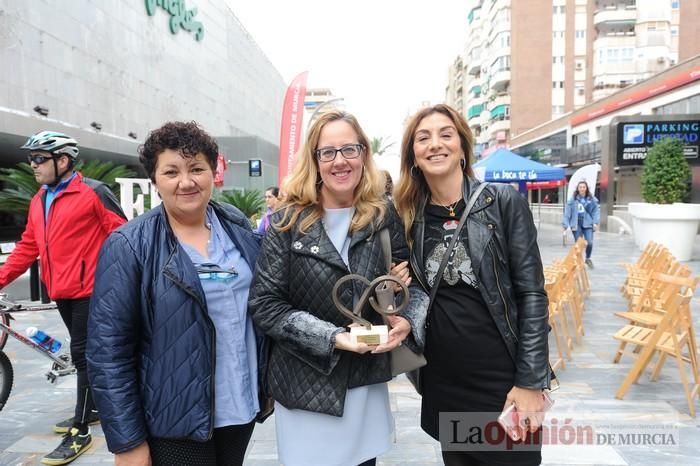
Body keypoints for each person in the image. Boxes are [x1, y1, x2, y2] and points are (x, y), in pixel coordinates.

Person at [248, 111, 428, 466]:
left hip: (364, 383)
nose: (340, 161)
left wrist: (407, 318)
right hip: (304, 386)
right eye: (327, 152)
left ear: (363, 153)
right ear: (314, 160)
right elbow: (266, 304)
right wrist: (332, 338)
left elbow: (412, 285)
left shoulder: (382, 215)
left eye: (349, 149)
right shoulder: (286, 222)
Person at [87, 121, 266, 466]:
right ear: (155, 180)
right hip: (174, 420)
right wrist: (128, 442)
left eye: (197, 168)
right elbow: (108, 352)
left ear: (213, 172)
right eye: (171, 171)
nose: (186, 181)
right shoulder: (129, 246)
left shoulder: (235, 225)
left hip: (239, 407)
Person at [394, 104, 551, 466]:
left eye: (446, 134)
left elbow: (532, 296)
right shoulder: (408, 217)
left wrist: (530, 382)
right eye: (423, 137)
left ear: (463, 148)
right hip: (445, 382)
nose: (435, 144)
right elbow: (411, 294)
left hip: (502, 382)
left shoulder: (502, 202)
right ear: (413, 155)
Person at [0, 130, 126, 465]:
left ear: (63, 161)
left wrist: (115, 281)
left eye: (39, 159)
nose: (33, 165)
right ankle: (95, 407)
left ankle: (80, 429)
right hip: (63, 293)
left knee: (83, 356)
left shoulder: (93, 192)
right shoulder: (40, 198)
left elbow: (123, 236)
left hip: (93, 292)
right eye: (31, 159)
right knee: (85, 355)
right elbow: (28, 246)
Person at [563, 180, 600, 268]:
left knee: (589, 242)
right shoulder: (572, 200)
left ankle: (588, 258)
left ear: (586, 188)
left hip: (588, 222)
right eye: (580, 187)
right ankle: (579, 261)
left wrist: (595, 223)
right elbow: (567, 213)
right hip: (576, 223)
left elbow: (595, 211)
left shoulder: (591, 200)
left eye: (584, 187)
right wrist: (565, 225)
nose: (582, 189)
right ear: (578, 189)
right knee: (578, 244)